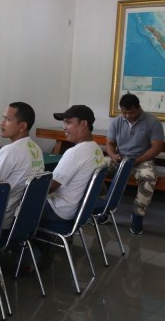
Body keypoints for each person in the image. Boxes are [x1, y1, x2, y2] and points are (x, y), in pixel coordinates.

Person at [106, 93, 164, 235]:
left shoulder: (153, 122)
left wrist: (137, 160)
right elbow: (110, 144)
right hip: (120, 158)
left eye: (130, 112)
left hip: (142, 160)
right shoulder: (116, 122)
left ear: (138, 108)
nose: (127, 116)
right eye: (124, 112)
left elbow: (156, 147)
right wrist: (113, 156)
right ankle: (104, 208)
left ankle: (138, 215)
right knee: (96, 169)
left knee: (149, 176)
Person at [41, 105, 105, 228]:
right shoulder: (96, 149)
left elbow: (51, 187)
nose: (64, 127)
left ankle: (21, 244)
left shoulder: (75, 152)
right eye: (64, 123)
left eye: (69, 122)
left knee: (15, 204)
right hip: (79, 210)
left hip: (60, 211)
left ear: (83, 124)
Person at [0, 102, 44, 229]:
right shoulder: (36, 148)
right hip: (24, 218)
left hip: (2, 218)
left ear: (22, 126)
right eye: (3, 118)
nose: (1, 123)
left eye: (8, 119)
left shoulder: (9, 151)